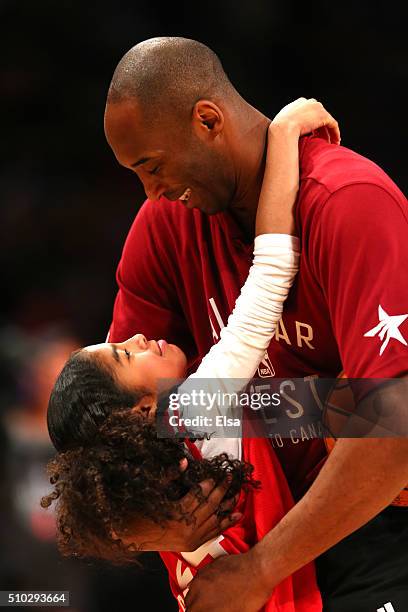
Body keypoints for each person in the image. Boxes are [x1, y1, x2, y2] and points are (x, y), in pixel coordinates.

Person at [104, 37, 408, 612]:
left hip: (365, 531)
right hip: (243, 542)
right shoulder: (166, 224)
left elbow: (396, 430)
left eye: (152, 166)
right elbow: (118, 429)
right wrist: (150, 524)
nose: (152, 192)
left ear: (207, 120)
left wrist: (264, 567)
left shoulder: (349, 201)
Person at [43, 100, 333, 610]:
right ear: (144, 412)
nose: (136, 338)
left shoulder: (135, 482)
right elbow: (268, 277)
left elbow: (274, 411)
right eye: (125, 355)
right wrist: (284, 137)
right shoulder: (188, 408)